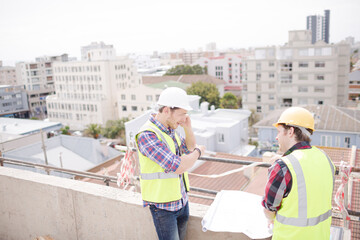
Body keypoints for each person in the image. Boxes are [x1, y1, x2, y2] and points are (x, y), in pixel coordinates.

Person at [135, 87, 205, 240]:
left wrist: (188, 128)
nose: (183, 119)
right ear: (166, 110)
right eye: (181, 114)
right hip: (163, 208)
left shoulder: (169, 130)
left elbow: (189, 148)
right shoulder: (148, 135)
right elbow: (178, 166)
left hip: (181, 201)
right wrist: (198, 153)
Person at [262, 107, 335, 240]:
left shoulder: (283, 167)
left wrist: (282, 164)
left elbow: (269, 210)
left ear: (290, 131)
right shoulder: (325, 158)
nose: (277, 137)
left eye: (279, 132)